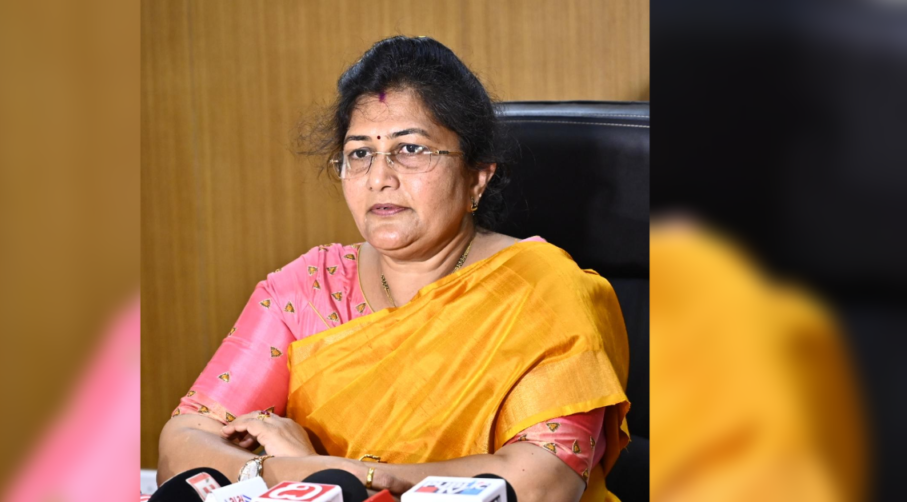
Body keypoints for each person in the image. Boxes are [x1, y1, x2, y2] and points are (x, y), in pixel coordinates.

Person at [158, 36, 630, 502]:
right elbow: (181, 444)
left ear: (476, 177)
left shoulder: (541, 290)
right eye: (360, 153)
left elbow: (543, 484)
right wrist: (278, 469)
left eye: (411, 149)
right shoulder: (306, 289)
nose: (379, 178)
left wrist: (338, 475)